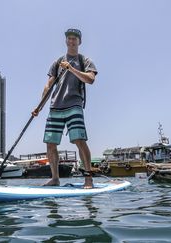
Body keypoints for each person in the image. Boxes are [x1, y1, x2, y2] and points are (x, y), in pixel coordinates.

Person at [32, 28, 98, 188]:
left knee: (79, 140)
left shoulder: (85, 60)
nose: (71, 40)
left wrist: (71, 68)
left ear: (79, 41)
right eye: (69, 38)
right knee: (50, 143)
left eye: (75, 38)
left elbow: (90, 79)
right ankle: (55, 178)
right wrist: (39, 106)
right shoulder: (57, 62)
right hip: (55, 106)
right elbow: (48, 85)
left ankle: (88, 178)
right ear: (66, 41)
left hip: (74, 104)